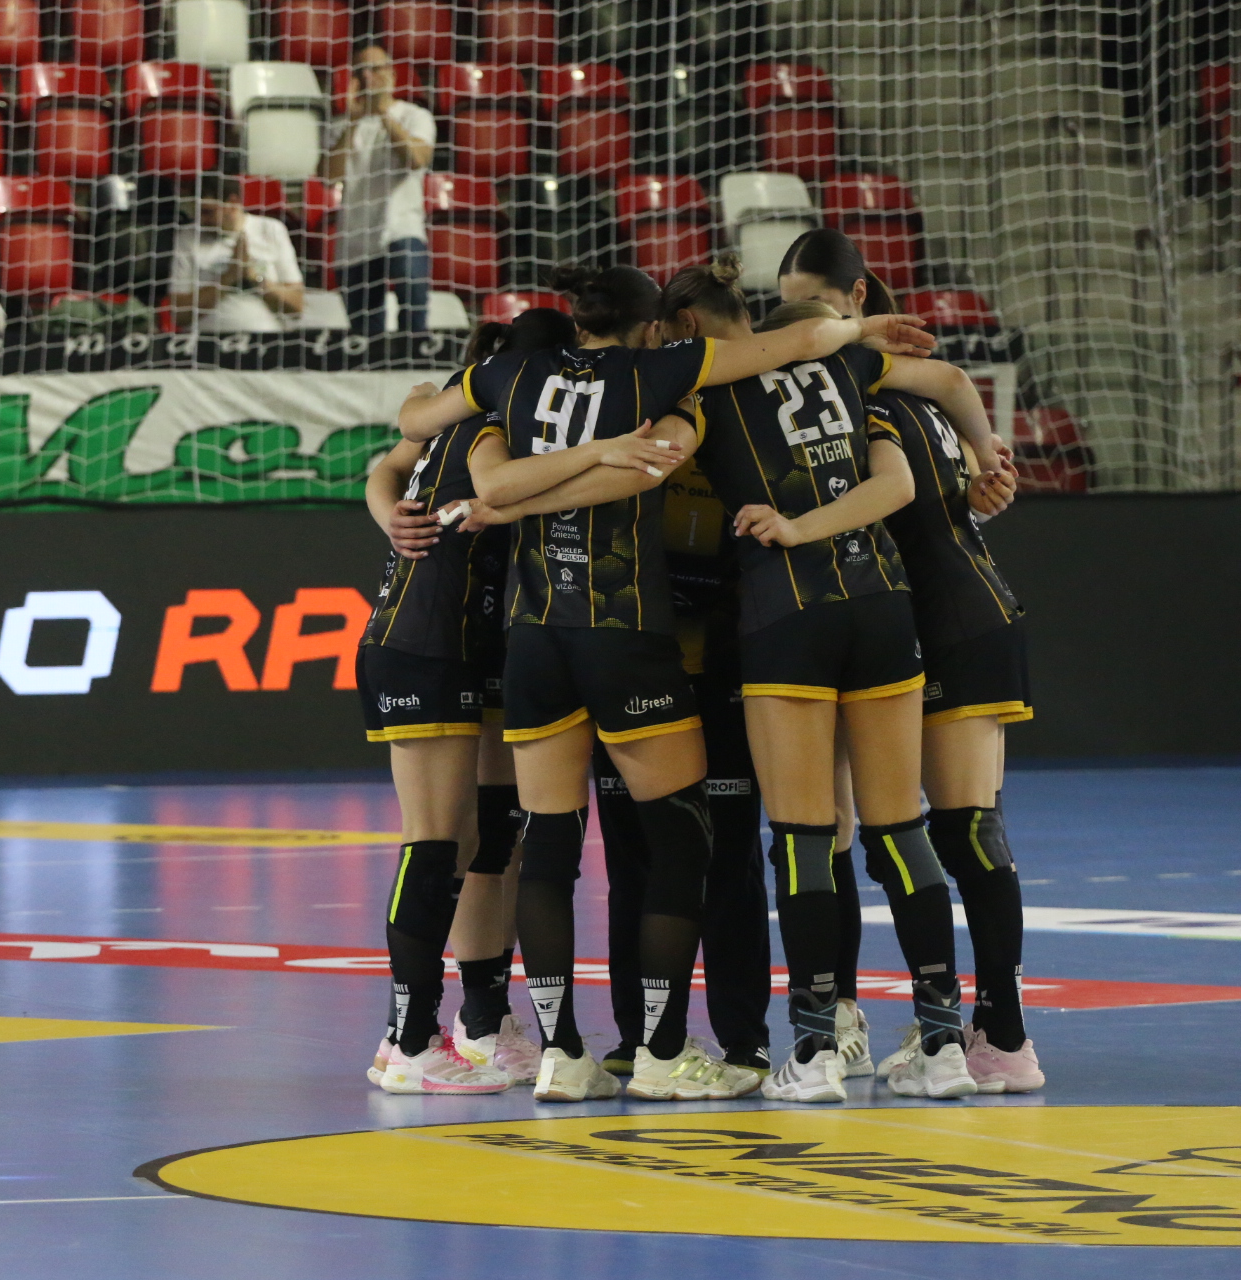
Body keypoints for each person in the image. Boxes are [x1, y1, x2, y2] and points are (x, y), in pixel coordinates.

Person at [398, 266, 934, 1103]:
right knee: (695, 842)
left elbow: (421, 432)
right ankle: (665, 1048)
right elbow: (796, 348)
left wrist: (480, 489)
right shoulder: (661, 374)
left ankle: (560, 1053)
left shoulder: (510, 375)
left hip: (534, 639)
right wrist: (859, 330)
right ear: (657, 326)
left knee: (548, 844)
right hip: (634, 639)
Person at [673, 277, 1001, 1101]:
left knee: (803, 835)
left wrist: (789, 528)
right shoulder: (856, 374)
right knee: (901, 830)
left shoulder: (708, 387)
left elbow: (654, 456)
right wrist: (986, 452)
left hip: (787, 616)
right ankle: (942, 1044)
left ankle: (817, 1052)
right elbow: (902, 476)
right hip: (884, 608)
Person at [779, 231, 1044, 1094]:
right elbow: (953, 472)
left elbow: (911, 477)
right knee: (908, 828)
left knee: (954, 831)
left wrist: (983, 465)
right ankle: (953, 1030)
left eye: (817, 309)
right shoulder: (885, 386)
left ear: (857, 302)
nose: (803, 329)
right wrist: (982, 476)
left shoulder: (868, 384)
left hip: (947, 622)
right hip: (949, 615)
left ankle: (995, 1036)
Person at [358, 307, 576, 1095]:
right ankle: (407, 1040)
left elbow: (384, 468)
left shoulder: (467, 412)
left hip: (479, 641)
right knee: (435, 841)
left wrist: (389, 511)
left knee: (492, 836)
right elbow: (479, 484)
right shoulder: (487, 422)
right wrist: (606, 457)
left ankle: (482, 1021)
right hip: (426, 642)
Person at [584, 254, 781, 1080]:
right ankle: (665, 1039)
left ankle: (726, 1038)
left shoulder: (738, 413)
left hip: (687, 667)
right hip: (657, 665)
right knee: (672, 857)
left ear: (682, 330)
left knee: (700, 856)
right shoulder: (640, 412)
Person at [324, 45, 436, 335]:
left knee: (414, 325)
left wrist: (384, 114)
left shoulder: (414, 115)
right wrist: (353, 120)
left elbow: (417, 158)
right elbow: (327, 176)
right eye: (361, 71)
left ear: (392, 74)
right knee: (364, 335)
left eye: (375, 69)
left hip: (402, 228)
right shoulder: (341, 125)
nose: (368, 77)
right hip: (355, 236)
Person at [168, 176, 305, 333]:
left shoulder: (271, 230)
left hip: (267, 339)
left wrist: (255, 279)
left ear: (233, 203)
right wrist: (228, 278)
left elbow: (297, 307)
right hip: (206, 340)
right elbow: (179, 315)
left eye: (207, 212)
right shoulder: (188, 236)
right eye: (196, 213)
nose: (201, 220)